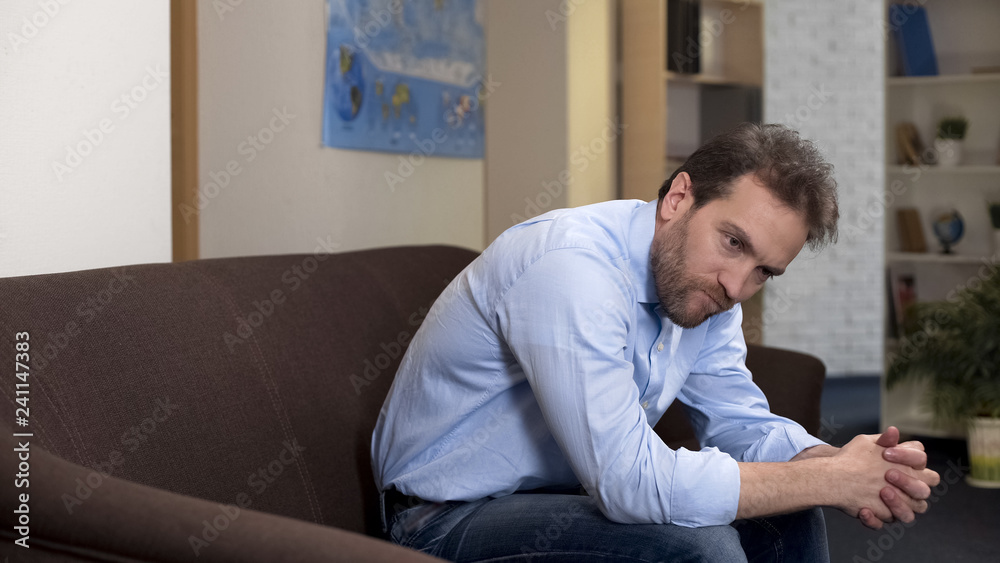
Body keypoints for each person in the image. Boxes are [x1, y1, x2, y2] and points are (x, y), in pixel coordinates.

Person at [371, 123, 940, 562]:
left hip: (561, 495)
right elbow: (627, 484)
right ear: (678, 198)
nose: (737, 285)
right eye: (733, 241)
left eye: (766, 271)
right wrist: (827, 479)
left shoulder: (707, 290)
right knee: (703, 549)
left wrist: (846, 463)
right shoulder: (570, 268)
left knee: (791, 514)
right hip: (439, 518)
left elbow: (739, 422)